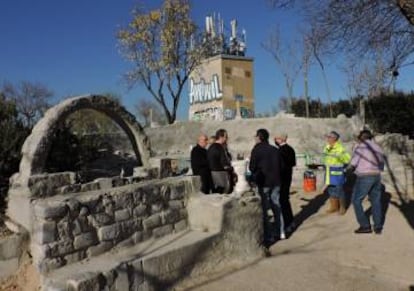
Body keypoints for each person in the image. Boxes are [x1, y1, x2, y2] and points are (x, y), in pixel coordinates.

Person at [249, 128, 284, 247]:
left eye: (255, 136)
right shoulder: (275, 150)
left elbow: (252, 167)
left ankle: (268, 235)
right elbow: (282, 166)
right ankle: (281, 232)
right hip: (277, 181)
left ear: (259, 137)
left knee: (265, 209)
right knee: (277, 206)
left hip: (264, 182)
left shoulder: (256, 150)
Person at [348, 129, 385, 234]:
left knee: (356, 200)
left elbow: (354, 163)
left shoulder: (361, 147)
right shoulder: (378, 147)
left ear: (361, 137)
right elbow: (382, 162)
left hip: (364, 177)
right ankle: (378, 227)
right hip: (376, 176)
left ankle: (365, 226)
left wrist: (347, 170)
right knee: (376, 201)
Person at [323, 130, 351, 215]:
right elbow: (326, 158)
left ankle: (342, 207)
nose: (328, 138)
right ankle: (334, 207)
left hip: (337, 173)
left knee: (339, 190)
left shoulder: (340, 148)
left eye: (329, 137)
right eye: (328, 137)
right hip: (328, 172)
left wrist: (339, 157)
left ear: (334, 138)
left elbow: (347, 159)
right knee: (331, 190)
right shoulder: (327, 147)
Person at [274, 133, 296, 233]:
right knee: (286, 200)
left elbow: (279, 166)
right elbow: (293, 163)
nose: (275, 140)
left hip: (281, 178)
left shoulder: (280, 151)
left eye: (276, 138)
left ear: (280, 139)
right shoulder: (291, 149)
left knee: (282, 201)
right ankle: (291, 221)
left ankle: (286, 224)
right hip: (288, 177)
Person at [207, 129, 233, 194]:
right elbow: (225, 164)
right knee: (223, 194)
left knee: (216, 194)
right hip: (220, 174)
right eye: (226, 137)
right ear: (221, 137)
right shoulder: (220, 148)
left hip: (212, 173)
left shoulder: (211, 147)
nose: (227, 138)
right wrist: (231, 168)